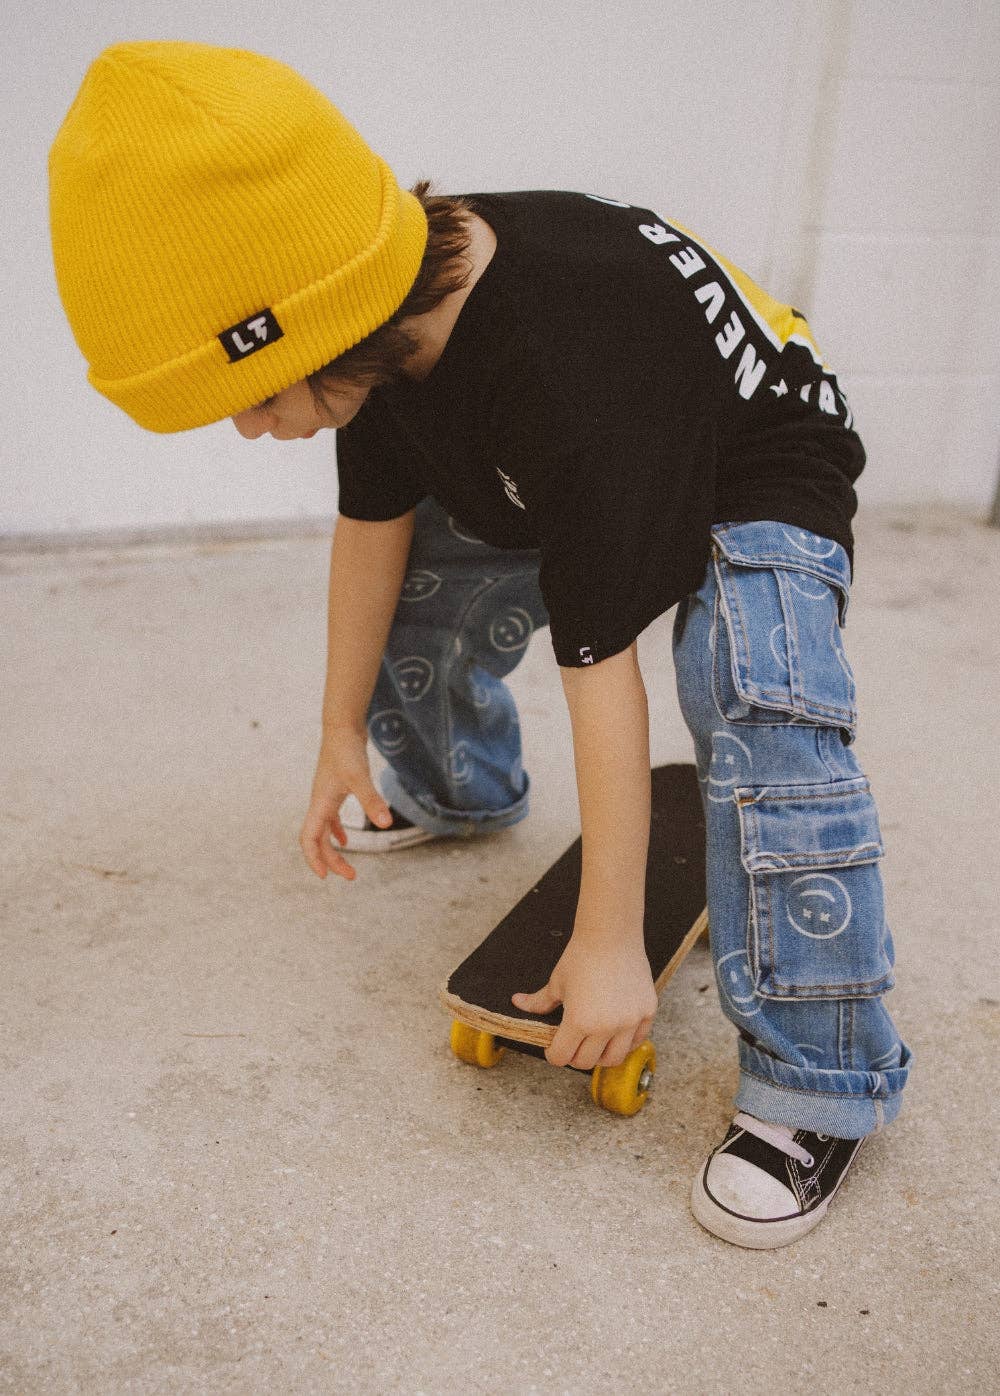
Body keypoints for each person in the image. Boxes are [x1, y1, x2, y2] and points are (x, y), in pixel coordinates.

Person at [49, 40, 911, 1249]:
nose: (248, 430)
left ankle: (820, 1084)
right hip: (561, 463)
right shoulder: (375, 329)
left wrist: (606, 943)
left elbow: (601, 662)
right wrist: (337, 732)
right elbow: (372, 533)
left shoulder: (561, 360)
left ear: (302, 322)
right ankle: (464, 790)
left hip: (749, 454)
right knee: (416, 594)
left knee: (760, 703)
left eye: (248, 396)